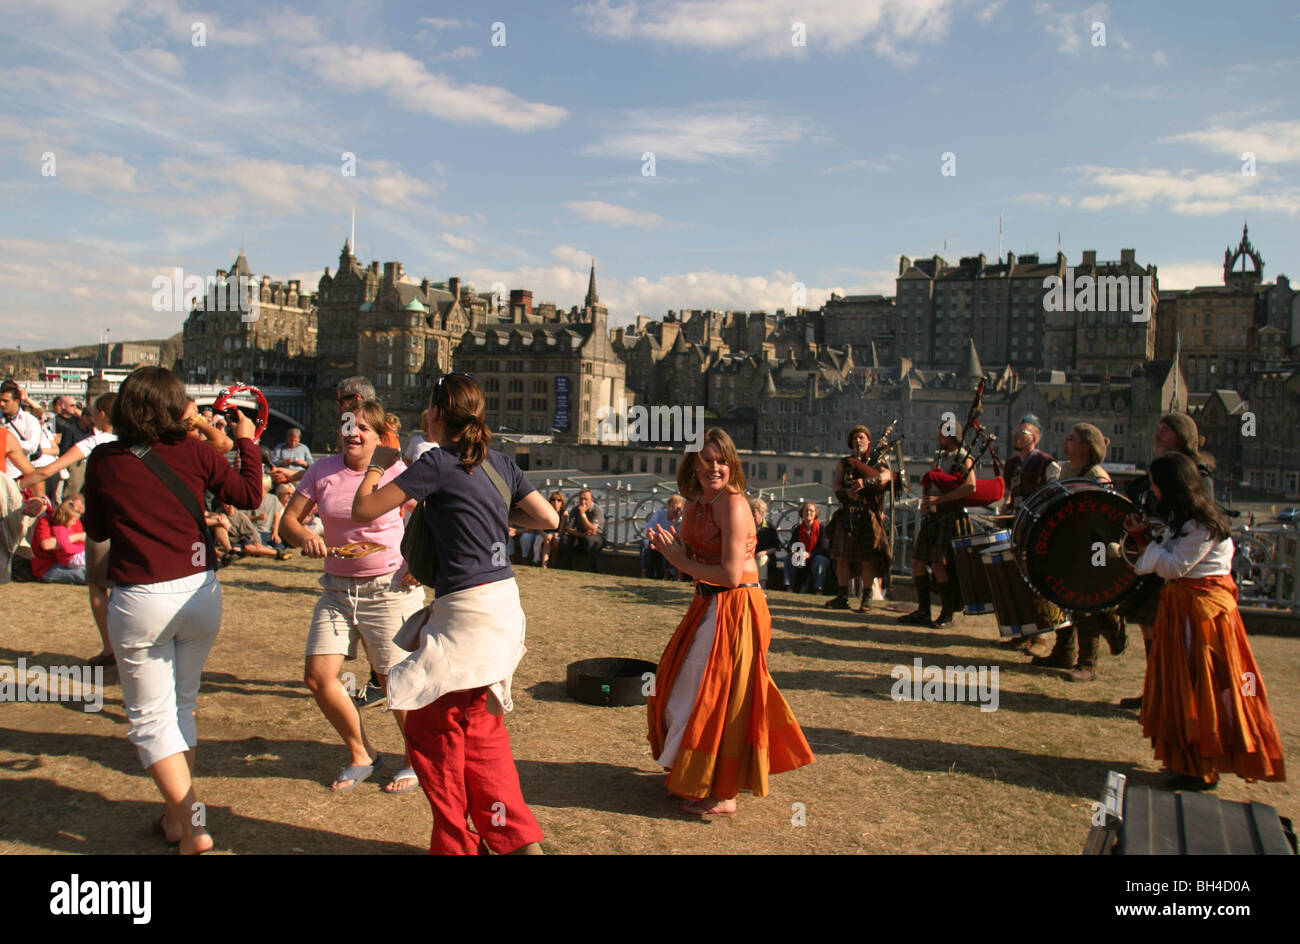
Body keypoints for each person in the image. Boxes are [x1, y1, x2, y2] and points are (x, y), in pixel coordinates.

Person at [352, 373, 558, 854]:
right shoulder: (501, 463)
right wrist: (491, 518)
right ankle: (511, 837)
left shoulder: (439, 464)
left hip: (466, 609)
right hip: (501, 603)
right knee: (478, 725)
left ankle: (459, 844)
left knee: (428, 726)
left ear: (436, 416)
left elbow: (365, 510)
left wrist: (378, 464)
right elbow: (548, 519)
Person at [82, 366, 262, 854]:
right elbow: (248, 495)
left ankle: (193, 826)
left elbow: (96, 530)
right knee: (180, 707)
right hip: (199, 592)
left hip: (141, 596)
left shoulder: (104, 459)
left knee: (148, 719)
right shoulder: (196, 451)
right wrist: (247, 444)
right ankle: (177, 819)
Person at [646, 427, 815, 815]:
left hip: (736, 607)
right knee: (676, 690)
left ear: (731, 464)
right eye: (706, 460)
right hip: (707, 604)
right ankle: (691, 773)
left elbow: (732, 574)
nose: (714, 468)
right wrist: (674, 548)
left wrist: (678, 560)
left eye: (721, 460)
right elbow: (698, 559)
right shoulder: (695, 502)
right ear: (693, 463)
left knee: (719, 697)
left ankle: (723, 793)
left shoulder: (734, 504)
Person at [277, 398, 424, 795]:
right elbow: (289, 522)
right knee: (318, 677)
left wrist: (420, 560)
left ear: (379, 437)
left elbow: (429, 516)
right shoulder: (322, 470)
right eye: (347, 426)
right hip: (337, 589)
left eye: (362, 427)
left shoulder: (395, 471)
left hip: (390, 588)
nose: (352, 433)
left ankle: (415, 760)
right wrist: (306, 535)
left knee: (396, 683)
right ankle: (362, 754)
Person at [1132, 452, 1285, 789]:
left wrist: (1149, 546)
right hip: (1185, 611)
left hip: (1201, 616)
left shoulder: (1202, 525)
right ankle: (1187, 761)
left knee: (1202, 688)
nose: (1153, 489)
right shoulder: (1186, 520)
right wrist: (1148, 541)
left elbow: (1173, 567)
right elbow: (1165, 560)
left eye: (1156, 483)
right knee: (1182, 685)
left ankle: (1202, 766)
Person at [1117, 412, 1214, 709]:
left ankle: (1169, 694)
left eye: (1165, 431)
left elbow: (1197, 519)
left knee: (1166, 629)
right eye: (1157, 429)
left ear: (1182, 437)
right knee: (1149, 624)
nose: (1157, 435)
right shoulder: (1156, 473)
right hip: (1158, 552)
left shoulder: (1196, 474)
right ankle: (1155, 688)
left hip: (1179, 565)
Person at [21, 393, 118, 666]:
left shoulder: (96, 441)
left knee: (98, 585)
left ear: (100, 415)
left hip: (102, 525)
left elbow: (46, 471)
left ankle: (110, 648)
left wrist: (16, 486)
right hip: (132, 523)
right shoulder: (138, 442)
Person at [1030, 423, 1126, 681]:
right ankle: (1064, 651)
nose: (1067, 441)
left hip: (1090, 548)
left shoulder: (1097, 476)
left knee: (1085, 604)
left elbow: (1106, 515)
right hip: (1069, 545)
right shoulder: (1067, 470)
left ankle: (1088, 663)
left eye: (1072, 438)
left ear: (1086, 446)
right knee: (1063, 599)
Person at [998, 414, 1062, 654]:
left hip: (1036, 526)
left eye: (1022, 433)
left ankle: (1041, 637)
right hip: (1016, 524)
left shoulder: (1047, 463)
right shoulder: (1012, 463)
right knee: (1018, 579)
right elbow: (1009, 493)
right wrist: (1005, 507)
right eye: (1016, 431)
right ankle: (1022, 631)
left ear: (1034, 438)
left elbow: (1054, 492)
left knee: (1035, 581)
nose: (1016, 435)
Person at [900, 425, 973, 627]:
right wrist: (926, 500)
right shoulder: (939, 456)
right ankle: (923, 611)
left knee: (939, 566)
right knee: (917, 562)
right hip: (932, 517)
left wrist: (940, 501)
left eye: (941, 433)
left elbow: (970, 486)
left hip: (948, 517)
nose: (937, 436)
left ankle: (947, 613)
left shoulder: (964, 458)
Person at [824, 425, 894, 612]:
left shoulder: (879, 461)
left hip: (869, 515)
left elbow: (887, 478)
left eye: (861, 437)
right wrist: (847, 494)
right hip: (847, 514)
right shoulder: (844, 463)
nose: (858, 441)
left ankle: (866, 599)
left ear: (869, 440)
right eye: (855, 438)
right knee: (842, 558)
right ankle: (842, 597)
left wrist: (866, 482)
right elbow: (837, 487)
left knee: (867, 559)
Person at [32, 494, 87, 584]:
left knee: (93, 569)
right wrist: (78, 537)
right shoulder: (46, 521)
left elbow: (78, 544)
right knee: (86, 575)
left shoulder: (75, 520)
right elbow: (46, 545)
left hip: (69, 560)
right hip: (48, 566)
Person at [785, 501, 831, 594]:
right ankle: (789, 587)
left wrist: (809, 554)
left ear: (815, 513)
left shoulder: (822, 529)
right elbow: (791, 544)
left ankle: (819, 589)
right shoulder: (798, 529)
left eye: (811, 511)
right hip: (802, 558)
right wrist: (794, 552)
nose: (808, 513)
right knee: (789, 558)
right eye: (806, 510)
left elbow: (824, 548)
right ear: (802, 513)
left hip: (817, 557)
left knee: (819, 559)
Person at [559, 487, 604, 572]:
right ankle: (566, 566)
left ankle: (592, 569)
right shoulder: (575, 509)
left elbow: (592, 528)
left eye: (586, 499)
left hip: (596, 536)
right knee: (565, 539)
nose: (583, 502)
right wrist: (582, 534)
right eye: (581, 499)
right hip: (580, 534)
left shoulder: (596, 510)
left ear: (591, 500)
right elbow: (569, 528)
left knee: (591, 540)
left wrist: (582, 514)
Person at [641, 495, 684, 579]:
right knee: (644, 543)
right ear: (668, 506)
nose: (674, 510)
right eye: (672, 507)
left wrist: (675, 520)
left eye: (678, 508)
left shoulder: (680, 521)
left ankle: (666, 575)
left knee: (668, 545)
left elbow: (676, 536)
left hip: (669, 542)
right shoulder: (659, 514)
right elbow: (648, 530)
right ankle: (643, 573)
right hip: (655, 539)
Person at [536, 491, 567, 567]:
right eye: (553, 500)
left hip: (556, 534)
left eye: (559, 500)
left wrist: (553, 535)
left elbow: (561, 530)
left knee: (556, 541)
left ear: (562, 503)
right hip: (544, 534)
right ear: (550, 502)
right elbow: (539, 528)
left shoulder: (564, 514)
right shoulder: (545, 512)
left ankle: (553, 562)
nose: (556, 502)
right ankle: (544, 565)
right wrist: (545, 535)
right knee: (547, 540)